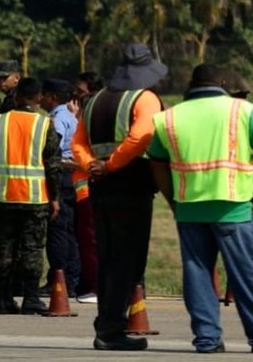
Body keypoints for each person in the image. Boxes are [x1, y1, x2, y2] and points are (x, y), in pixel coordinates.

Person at [147, 65, 253, 354]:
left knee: (197, 276)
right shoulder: (242, 111)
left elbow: (156, 163)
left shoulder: (168, 117)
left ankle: (207, 340)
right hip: (234, 205)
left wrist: (173, 200)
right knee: (246, 275)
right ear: (222, 82)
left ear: (190, 84)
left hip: (189, 208)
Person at [72, 44, 166, 352]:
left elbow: (78, 143)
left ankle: (106, 323)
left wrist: (93, 166)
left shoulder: (95, 99)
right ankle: (112, 329)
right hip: (131, 188)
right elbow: (141, 137)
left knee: (108, 259)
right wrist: (111, 165)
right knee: (127, 261)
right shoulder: (146, 99)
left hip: (99, 188)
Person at [0, 77, 61, 315]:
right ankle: (31, 297)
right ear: (38, 98)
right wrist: (55, 197)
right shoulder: (44, 124)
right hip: (35, 198)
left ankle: (4, 298)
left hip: (4, 196)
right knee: (33, 249)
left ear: (16, 97)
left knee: (4, 251)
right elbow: (54, 165)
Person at [42, 78, 84, 303]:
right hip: (72, 178)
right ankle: (70, 278)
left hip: (61, 175)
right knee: (69, 230)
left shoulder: (58, 119)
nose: (41, 99)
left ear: (53, 98)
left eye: (44, 95)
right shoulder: (71, 117)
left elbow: (52, 150)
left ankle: (60, 279)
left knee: (58, 230)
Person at [72, 70, 106, 302]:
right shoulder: (90, 115)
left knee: (91, 240)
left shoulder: (92, 116)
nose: (76, 96)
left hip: (87, 188)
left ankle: (95, 286)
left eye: (81, 92)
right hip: (83, 186)